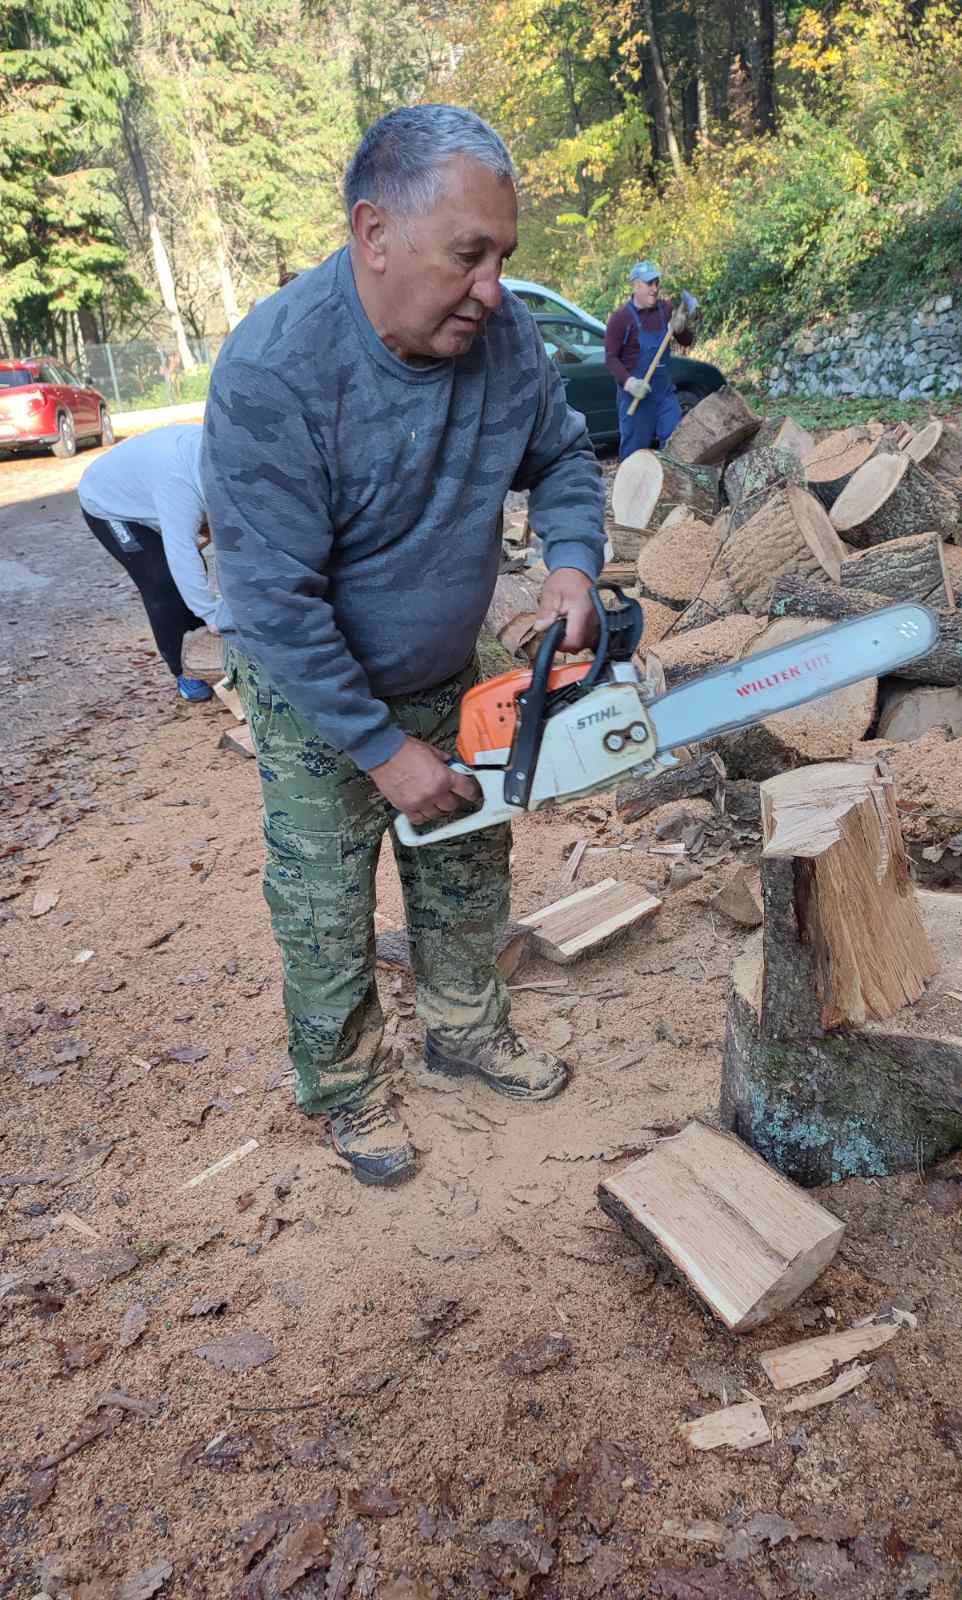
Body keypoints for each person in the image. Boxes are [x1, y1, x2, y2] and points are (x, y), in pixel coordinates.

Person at [201, 105, 606, 1188]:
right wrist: (382, 751)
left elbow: (564, 458)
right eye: (468, 256)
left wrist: (572, 563)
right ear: (374, 233)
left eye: (503, 256)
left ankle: (466, 1031)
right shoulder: (277, 371)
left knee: (467, 864)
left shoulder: (504, 340)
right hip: (316, 698)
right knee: (326, 904)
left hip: (447, 666)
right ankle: (345, 1086)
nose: (492, 288)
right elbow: (274, 603)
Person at [78, 424, 229, 700]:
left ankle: (206, 653)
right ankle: (184, 672)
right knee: (161, 580)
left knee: (192, 570)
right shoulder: (180, 488)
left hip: (150, 485)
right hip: (107, 503)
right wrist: (211, 613)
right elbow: (181, 554)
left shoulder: (225, 457)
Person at [604, 261, 694, 461]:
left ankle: (671, 481)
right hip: (636, 398)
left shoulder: (666, 310)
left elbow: (687, 341)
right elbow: (610, 359)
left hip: (664, 395)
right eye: (649, 284)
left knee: (676, 447)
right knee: (634, 456)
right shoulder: (620, 318)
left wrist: (681, 329)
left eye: (656, 283)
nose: (654, 288)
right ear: (636, 285)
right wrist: (629, 383)